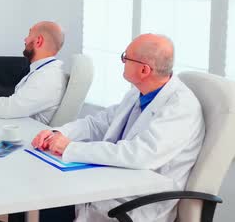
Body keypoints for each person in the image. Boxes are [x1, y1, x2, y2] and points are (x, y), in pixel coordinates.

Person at [32, 34, 205, 222]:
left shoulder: (180, 107)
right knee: (37, 202)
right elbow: (97, 124)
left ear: (144, 70)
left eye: (126, 57)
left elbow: (140, 154)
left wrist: (69, 147)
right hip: (108, 187)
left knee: (41, 210)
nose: (122, 61)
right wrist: (59, 133)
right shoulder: (138, 94)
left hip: (136, 204)